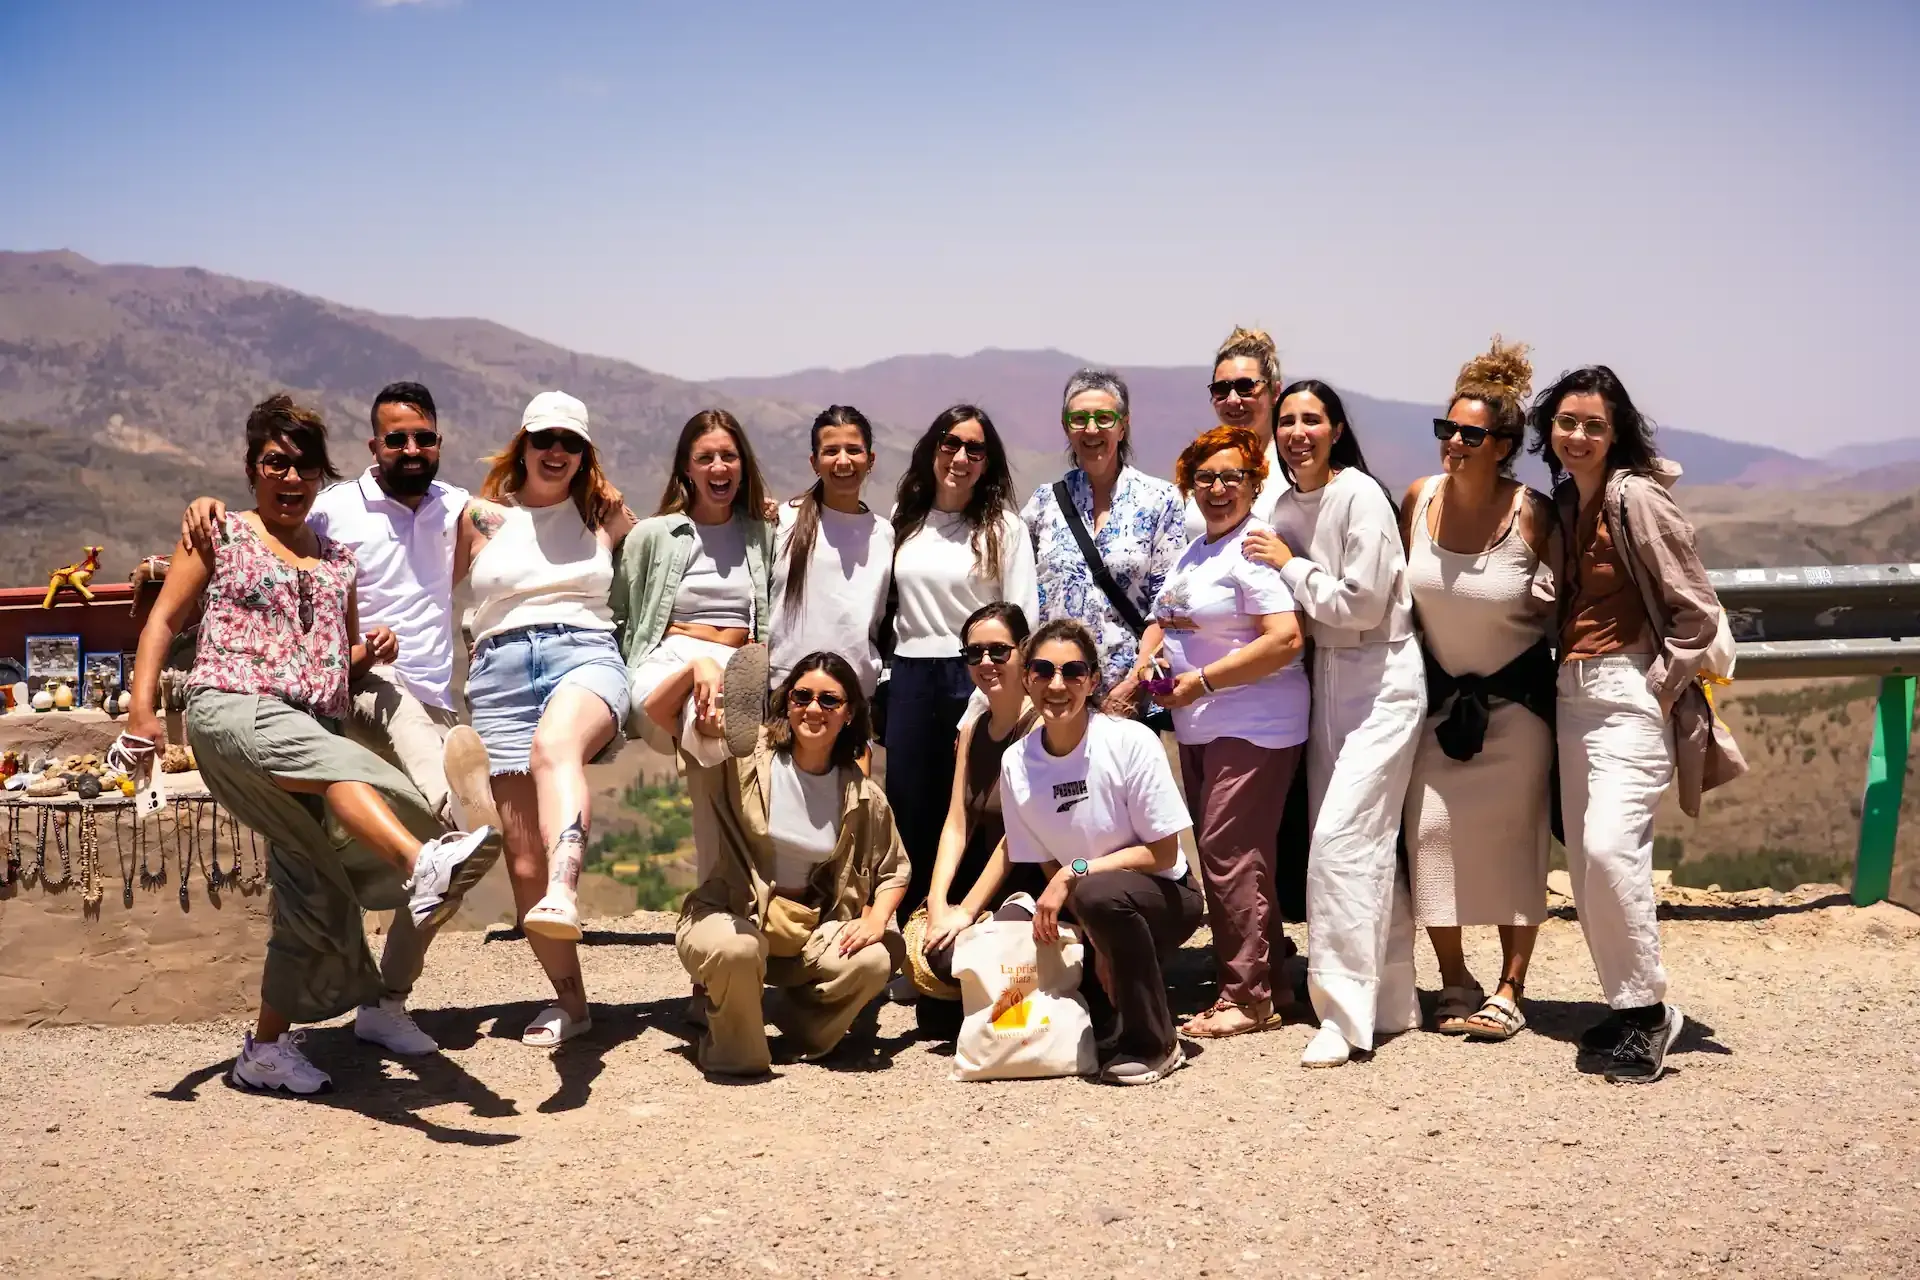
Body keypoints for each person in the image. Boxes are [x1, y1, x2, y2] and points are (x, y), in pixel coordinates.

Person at [129, 394, 491, 1095]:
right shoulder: (220, 534)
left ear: (320, 476)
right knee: (349, 771)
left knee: (313, 889)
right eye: (275, 463)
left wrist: (366, 652)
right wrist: (142, 713)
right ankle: (422, 864)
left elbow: (330, 661)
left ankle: (263, 1050)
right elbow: (161, 621)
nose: (289, 479)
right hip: (233, 711)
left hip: (309, 725)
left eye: (303, 467)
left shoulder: (336, 560)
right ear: (252, 468)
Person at [1532, 365, 1741, 1084]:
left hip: (1627, 692)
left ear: (1615, 432)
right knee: (1587, 869)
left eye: (1593, 424)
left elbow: (1697, 609)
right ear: (1548, 429)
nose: (1578, 436)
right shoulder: (1565, 501)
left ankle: (1652, 1015)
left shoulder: (1635, 498)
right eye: (1566, 423)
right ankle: (1626, 1008)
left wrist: (1658, 684)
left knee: (1610, 846)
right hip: (1571, 694)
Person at [1245, 381, 1421, 1068]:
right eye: (1286, 421)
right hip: (1328, 683)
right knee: (1363, 839)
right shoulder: (1284, 502)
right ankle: (1393, 999)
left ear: (1337, 429)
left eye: (1311, 420)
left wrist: (1293, 569)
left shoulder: (1360, 498)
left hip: (1381, 677)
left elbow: (1364, 604)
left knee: (1340, 843)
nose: (1297, 432)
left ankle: (1342, 1016)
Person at [457, 390, 637, 1046]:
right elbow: (429, 587)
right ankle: (572, 1004)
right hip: (500, 678)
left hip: (583, 654)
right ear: (523, 446)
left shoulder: (602, 515)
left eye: (570, 442)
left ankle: (570, 883)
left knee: (556, 747)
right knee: (522, 858)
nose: (555, 451)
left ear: (585, 454)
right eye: (544, 440)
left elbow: (658, 571)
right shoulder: (482, 518)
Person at [1398, 339, 1556, 1043]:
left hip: (1517, 706)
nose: (1453, 444)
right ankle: (1454, 979)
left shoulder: (1532, 514)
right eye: (1446, 430)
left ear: (1503, 446)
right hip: (1439, 706)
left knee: (1513, 841)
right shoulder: (1416, 500)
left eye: (1470, 435)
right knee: (1430, 833)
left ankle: (1510, 987)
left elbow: (1568, 601)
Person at [1135, 425, 1307, 1038]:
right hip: (1201, 723)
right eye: (1204, 478)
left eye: (1232, 477)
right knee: (1237, 853)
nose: (1218, 489)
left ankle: (1245, 994)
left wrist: (1202, 681)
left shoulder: (1251, 550)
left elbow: (1284, 639)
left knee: (1226, 851)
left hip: (1253, 723)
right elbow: (1165, 617)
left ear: (1255, 483)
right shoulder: (1197, 551)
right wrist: (1147, 656)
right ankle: (1273, 984)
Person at [676, 652, 909, 1077]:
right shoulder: (747, 756)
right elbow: (687, 732)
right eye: (802, 696)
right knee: (738, 949)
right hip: (732, 916)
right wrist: (699, 673)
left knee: (875, 959)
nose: (813, 709)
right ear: (787, 703)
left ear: (849, 712)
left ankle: (796, 1029)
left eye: (828, 700)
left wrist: (876, 919)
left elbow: (894, 869)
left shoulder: (862, 795)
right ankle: (736, 1050)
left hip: (807, 929)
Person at [999, 619, 1204, 1085]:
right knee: (1012, 931)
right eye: (1043, 670)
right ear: (1027, 678)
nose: (1057, 684)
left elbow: (1162, 853)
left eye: (1073, 672)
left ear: (1093, 681)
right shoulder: (1016, 762)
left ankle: (1155, 1043)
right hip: (1090, 907)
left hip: (1165, 898)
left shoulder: (1130, 741)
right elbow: (1045, 860)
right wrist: (1094, 933)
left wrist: (1078, 875)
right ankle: (1104, 1014)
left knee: (1098, 894)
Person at [886, 405, 1038, 918]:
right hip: (908, 677)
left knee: (975, 810)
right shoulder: (904, 522)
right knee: (910, 808)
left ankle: (970, 927)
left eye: (976, 449)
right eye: (951, 443)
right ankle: (910, 936)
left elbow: (1022, 619)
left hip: (973, 676)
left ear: (988, 462)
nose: (961, 457)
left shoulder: (1004, 529)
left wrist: (985, 700)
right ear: (933, 448)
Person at [614, 409, 775, 784]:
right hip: (671, 658)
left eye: (728, 457)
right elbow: (614, 610)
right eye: (705, 458)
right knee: (684, 701)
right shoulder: (653, 535)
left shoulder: (762, 534)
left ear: (743, 466)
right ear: (687, 468)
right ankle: (719, 711)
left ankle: (726, 716)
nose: (719, 467)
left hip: (740, 661)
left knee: (731, 789)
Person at [1021, 368, 1185, 721]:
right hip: (1056, 692)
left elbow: (1165, 605)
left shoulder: (1160, 499)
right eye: (1079, 419)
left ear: (1123, 425)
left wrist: (1134, 684)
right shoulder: (1043, 504)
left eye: (1104, 418)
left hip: (1127, 696)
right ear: (1066, 427)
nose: (1091, 429)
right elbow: (1021, 593)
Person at [913, 602, 1041, 1037]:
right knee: (936, 971)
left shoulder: (1041, 728)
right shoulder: (972, 729)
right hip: (991, 886)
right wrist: (936, 905)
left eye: (998, 651)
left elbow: (1018, 836)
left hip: (1042, 883)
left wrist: (965, 912)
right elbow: (956, 824)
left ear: (1023, 652)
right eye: (974, 653)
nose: (986, 662)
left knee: (1001, 1017)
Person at [768, 405, 893, 698]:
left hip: (855, 697)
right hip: (789, 692)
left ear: (870, 459)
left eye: (853, 450)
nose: (843, 461)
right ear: (814, 462)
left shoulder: (885, 535)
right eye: (831, 451)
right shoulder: (782, 522)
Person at [1182, 327, 1291, 540]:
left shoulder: (1293, 469)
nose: (1233, 400)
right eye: (1221, 390)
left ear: (1275, 392)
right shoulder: (1200, 464)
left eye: (1245, 387)